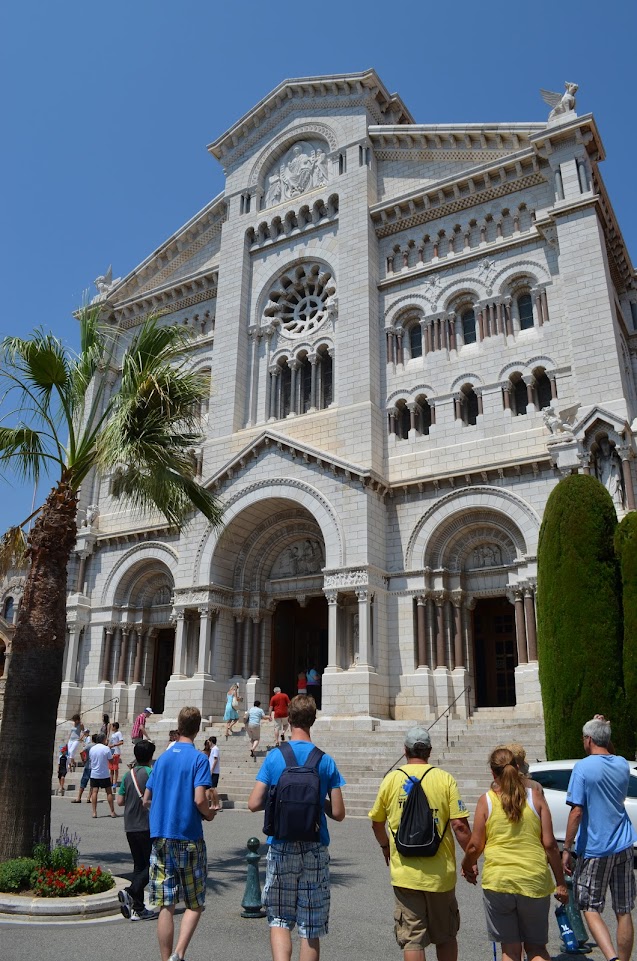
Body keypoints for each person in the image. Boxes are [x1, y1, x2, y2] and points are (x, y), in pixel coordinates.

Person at [248, 694, 346, 961]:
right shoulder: (325, 761)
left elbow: (253, 803)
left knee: (279, 919)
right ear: (313, 720)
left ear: (288, 720)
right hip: (315, 846)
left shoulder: (274, 757)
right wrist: (317, 800)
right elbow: (338, 813)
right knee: (310, 927)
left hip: (281, 846)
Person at [369, 726, 472, 961]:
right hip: (440, 874)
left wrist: (385, 846)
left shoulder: (392, 779)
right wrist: (471, 859)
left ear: (405, 750)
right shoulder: (445, 779)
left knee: (412, 939)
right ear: (430, 751)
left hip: (405, 873)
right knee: (445, 935)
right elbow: (460, 826)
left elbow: (376, 823)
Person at [461, 747, 568, 961]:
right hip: (533, 879)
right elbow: (549, 844)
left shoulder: (487, 800)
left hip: (499, 881)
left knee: (509, 950)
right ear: (517, 768)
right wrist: (560, 883)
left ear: (493, 773)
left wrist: (467, 865)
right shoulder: (535, 796)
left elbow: (474, 845)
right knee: (537, 948)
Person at [143, 706, 218, 961]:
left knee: (166, 904)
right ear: (197, 729)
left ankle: (165, 959)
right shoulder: (198, 758)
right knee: (195, 902)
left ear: (178, 726)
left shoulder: (163, 758)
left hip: (161, 836)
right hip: (188, 837)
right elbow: (200, 800)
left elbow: (146, 797)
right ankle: (179, 953)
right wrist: (209, 813)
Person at [562, 716, 636, 961]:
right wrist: (605, 731)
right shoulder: (621, 764)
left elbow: (576, 811)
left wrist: (567, 848)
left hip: (595, 848)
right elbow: (609, 752)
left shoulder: (583, 767)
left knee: (590, 908)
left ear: (588, 739)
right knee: (623, 910)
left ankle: (612, 958)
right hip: (624, 843)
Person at [117, 739, 157, 921]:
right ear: (151, 756)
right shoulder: (151, 773)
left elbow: (120, 801)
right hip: (147, 825)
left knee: (139, 865)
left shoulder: (127, 775)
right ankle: (131, 892)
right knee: (153, 865)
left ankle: (138, 909)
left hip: (130, 825)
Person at [90, 732, 117, 818]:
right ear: (103, 740)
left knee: (94, 792)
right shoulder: (106, 749)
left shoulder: (92, 749)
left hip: (94, 773)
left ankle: (94, 812)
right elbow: (111, 760)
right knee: (108, 792)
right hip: (104, 774)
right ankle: (112, 811)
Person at [72, 731, 95, 803]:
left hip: (88, 766)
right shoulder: (98, 746)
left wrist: (83, 760)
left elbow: (81, 752)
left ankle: (79, 797)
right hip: (94, 767)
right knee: (92, 783)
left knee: (83, 782)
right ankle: (89, 798)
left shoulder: (89, 745)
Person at [109, 721, 124, 788]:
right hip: (111, 752)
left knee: (115, 768)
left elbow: (121, 742)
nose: (111, 728)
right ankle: (111, 781)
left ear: (115, 727)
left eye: (112, 726)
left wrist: (114, 745)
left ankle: (115, 782)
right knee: (111, 768)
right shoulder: (113, 734)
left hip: (116, 752)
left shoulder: (119, 733)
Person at [207, 736, 220, 811]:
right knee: (210, 789)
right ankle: (212, 804)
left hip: (214, 771)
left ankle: (217, 804)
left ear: (211, 741)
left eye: (209, 741)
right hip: (211, 771)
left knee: (213, 788)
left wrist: (212, 769)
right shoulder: (212, 749)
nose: (208, 743)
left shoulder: (215, 749)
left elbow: (215, 759)